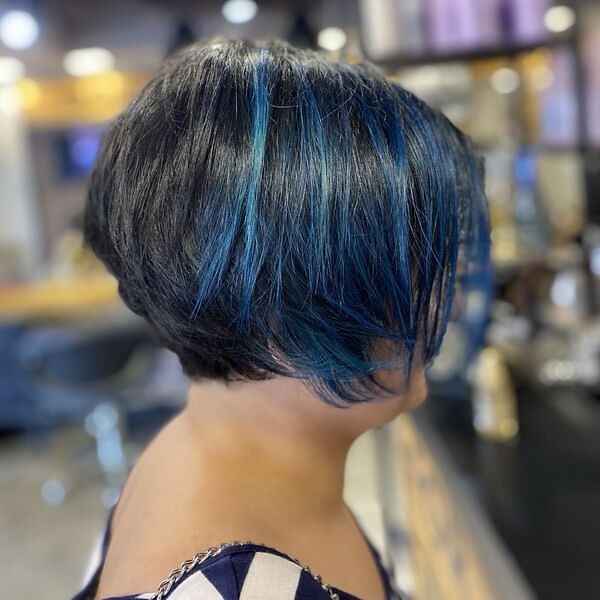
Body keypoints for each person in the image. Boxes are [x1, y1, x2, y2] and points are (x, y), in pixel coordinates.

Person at [74, 38, 489, 600]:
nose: (452, 305)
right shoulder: (239, 587)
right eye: (410, 269)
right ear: (285, 296)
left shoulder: (208, 453)